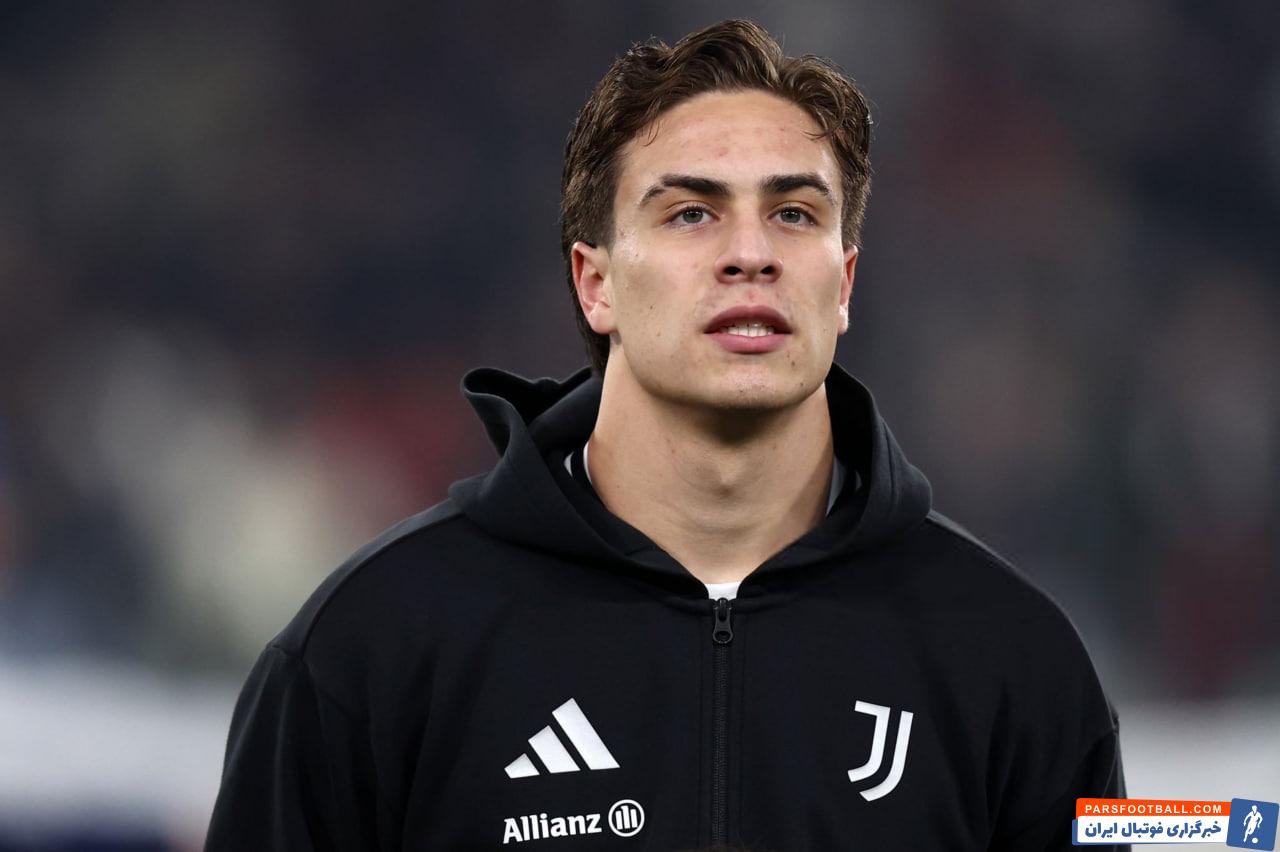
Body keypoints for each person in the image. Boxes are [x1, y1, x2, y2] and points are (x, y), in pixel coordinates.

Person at [206, 18, 1126, 851]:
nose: (750, 253)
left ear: (843, 284)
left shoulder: (1016, 661)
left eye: (794, 213)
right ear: (594, 284)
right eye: (691, 212)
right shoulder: (368, 651)